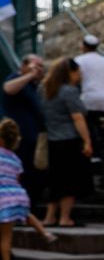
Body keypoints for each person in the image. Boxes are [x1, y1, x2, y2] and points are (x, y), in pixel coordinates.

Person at [0, 119, 56, 260]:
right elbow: (16, 178)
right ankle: (44, 233)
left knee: (5, 238)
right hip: (18, 194)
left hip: (3, 198)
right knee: (26, 214)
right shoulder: (16, 159)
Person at [39, 58, 93, 228]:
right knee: (69, 181)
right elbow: (78, 117)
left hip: (53, 139)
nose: (79, 76)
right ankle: (65, 217)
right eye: (77, 72)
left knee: (55, 180)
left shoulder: (44, 89)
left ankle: (49, 217)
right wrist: (87, 141)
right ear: (70, 72)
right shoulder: (69, 91)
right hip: (69, 139)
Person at [2, 54, 47, 197]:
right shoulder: (16, 78)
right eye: (36, 65)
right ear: (24, 65)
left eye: (41, 66)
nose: (39, 69)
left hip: (33, 136)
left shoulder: (35, 86)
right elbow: (8, 88)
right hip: (18, 137)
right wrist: (30, 74)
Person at [75, 35, 104, 166]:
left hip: (89, 99)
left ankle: (94, 155)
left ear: (83, 46)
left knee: (90, 128)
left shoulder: (79, 60)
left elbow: (76, 77)